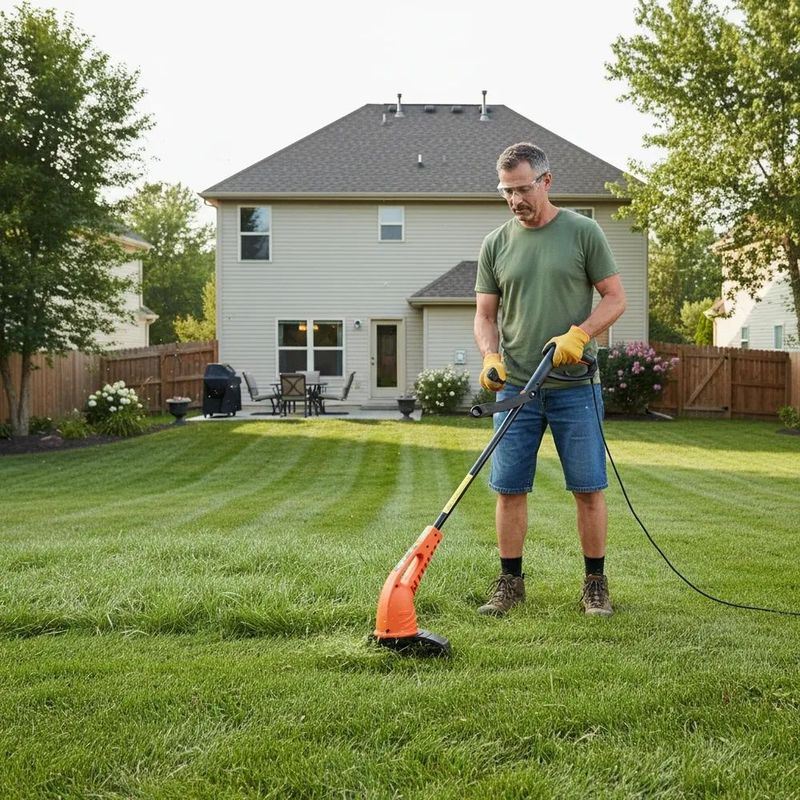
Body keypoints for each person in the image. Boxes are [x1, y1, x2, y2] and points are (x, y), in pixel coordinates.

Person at [473, 142, 626, 617]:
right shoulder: (496, 243)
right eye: (506, 191)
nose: (515, 199)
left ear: (546, 181)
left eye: (522, 189)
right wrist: (490, 355)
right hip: (516, 389)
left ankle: (595, 584)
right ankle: (510, 584)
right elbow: (484, 315)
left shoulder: (583, 232)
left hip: (575, 387)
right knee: (509, 488)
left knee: (588, 487)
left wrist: (580, 334)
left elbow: (616, 298)